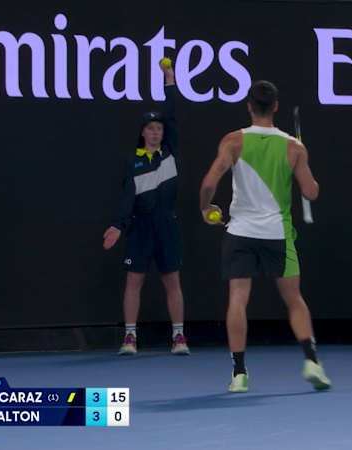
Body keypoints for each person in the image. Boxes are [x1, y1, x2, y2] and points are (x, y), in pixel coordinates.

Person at [199, 80, 331, 393]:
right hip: (277, 234)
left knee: (237, 300)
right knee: (294, 300)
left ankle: (239, 373)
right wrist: (307, 172)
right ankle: (312, 361)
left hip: (240, 233)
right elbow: (311, 192)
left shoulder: (233, 141)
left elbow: (209, 182)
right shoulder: (294, 147)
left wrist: (206, 207)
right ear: (275, 107)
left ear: (249, 106)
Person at [102, 58, 189, 356]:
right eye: (151, 128)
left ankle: (178, 337)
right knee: (134, 282)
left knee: (173, 282)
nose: (156, 132)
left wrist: (169, 79)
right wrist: (118, 224)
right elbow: (128, 197)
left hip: (166, 225)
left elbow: (172, 114)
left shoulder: (170, 153)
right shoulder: (133, 162)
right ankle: (130, 337)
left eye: (159, 129)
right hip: (140, 228)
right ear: (143, 132)